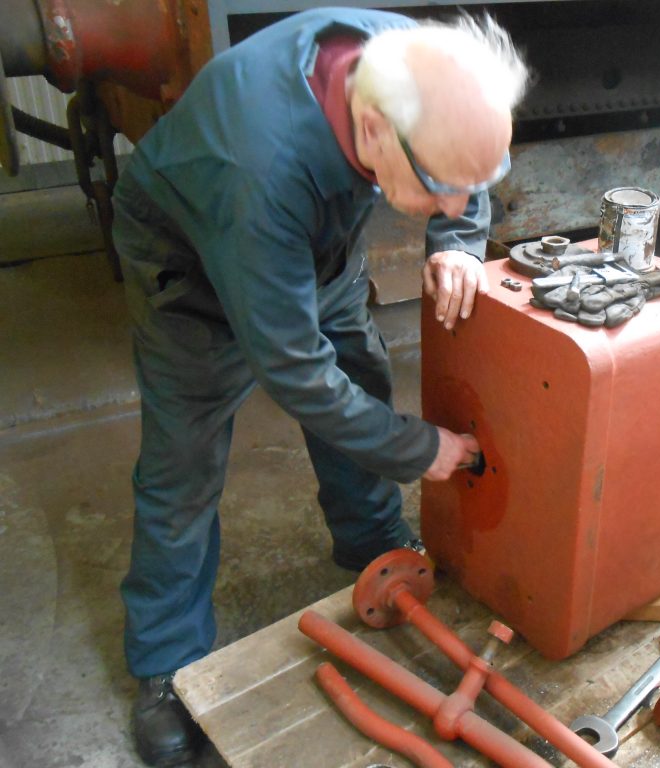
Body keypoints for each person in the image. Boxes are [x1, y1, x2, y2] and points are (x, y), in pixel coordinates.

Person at [111, 7, 528, 765]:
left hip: (312, 231)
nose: (457, 204)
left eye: (474, 188)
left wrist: (461, 242)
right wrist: (416, 448)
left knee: (359, 370)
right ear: (371, 131)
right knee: (186, 458)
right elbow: (294, 372)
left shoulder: (420, 68)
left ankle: (370, 540)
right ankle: (167, 663)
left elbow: (466, 160)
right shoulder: (257, 170)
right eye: (441, 189)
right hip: (191, 261)